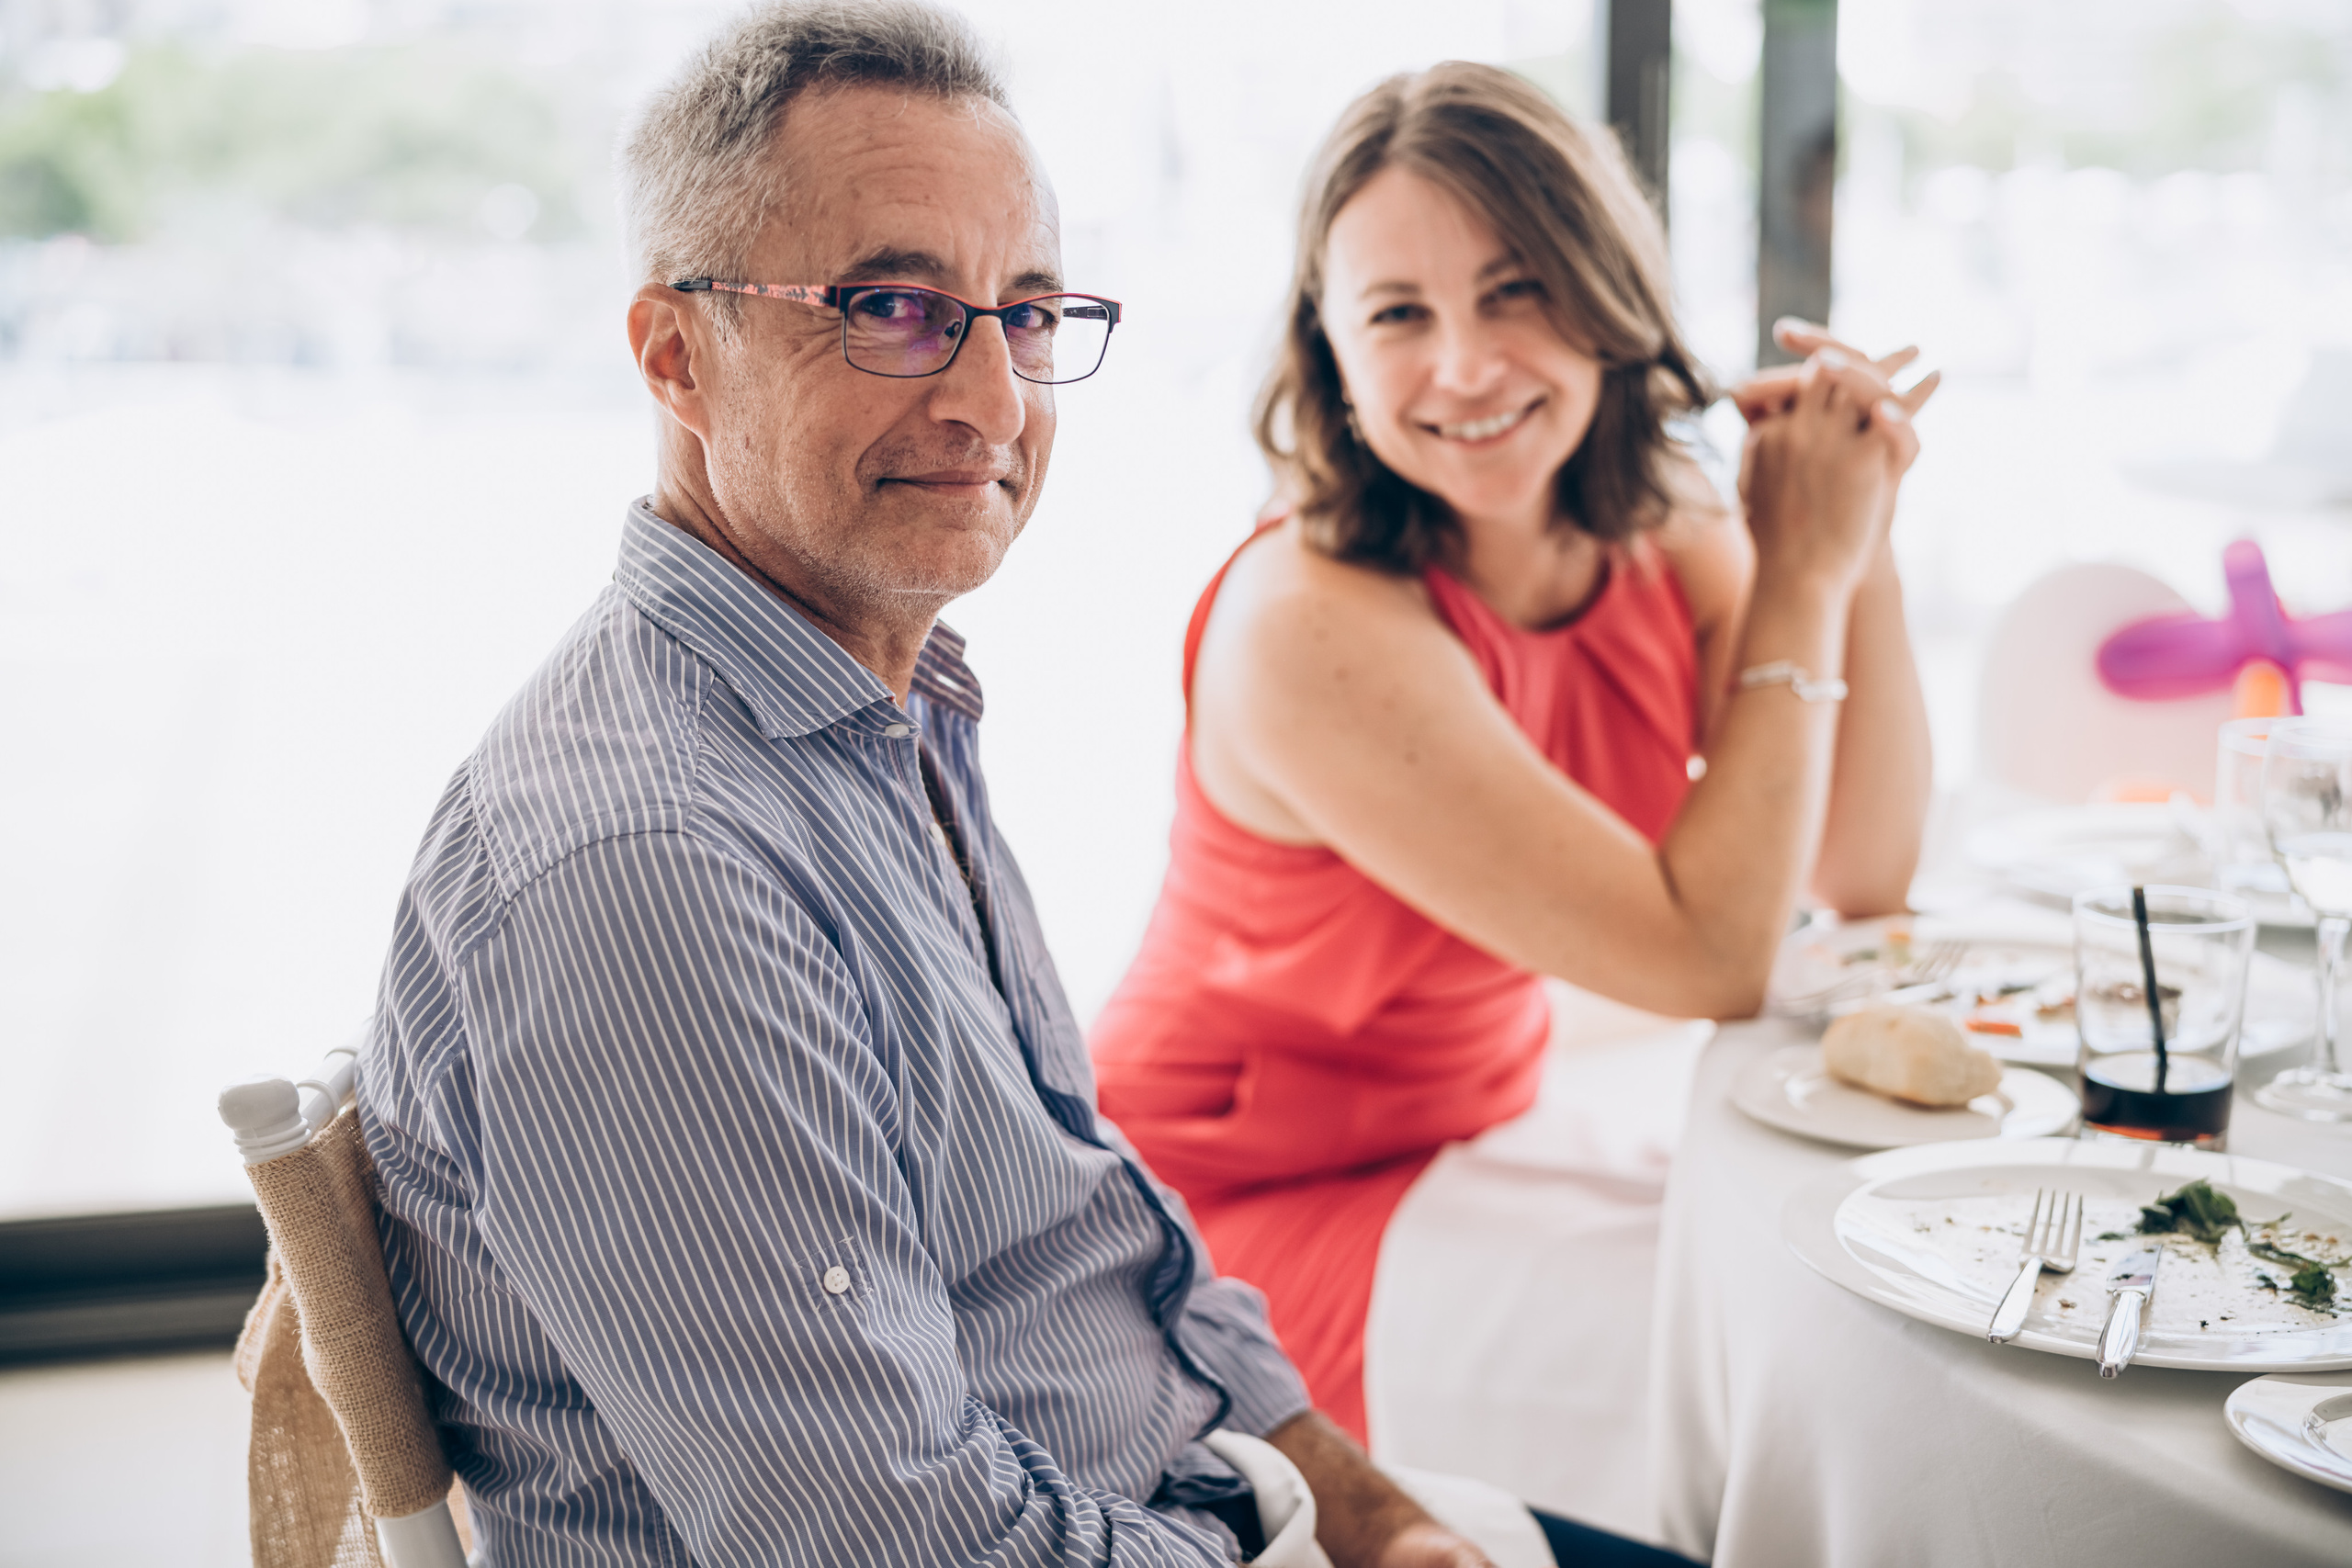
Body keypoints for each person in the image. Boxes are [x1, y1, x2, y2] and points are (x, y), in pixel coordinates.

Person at [356, 7, 1689, 1565]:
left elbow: (1101, 1234)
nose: (996, 403)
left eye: (1030, 314)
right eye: (895, 309)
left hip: (1194, 1500)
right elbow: (898, 1544)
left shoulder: (881, 711)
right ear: (677, 355)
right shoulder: (646, 868)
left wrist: (1372, 1514)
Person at [1091, 62, 1937, 1439]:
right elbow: (1711, 960)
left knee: (1835, 1282)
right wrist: (1797, 576)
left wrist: (1855, 543)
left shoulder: (1659, 533)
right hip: (1216, 1223)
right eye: (1399, 314)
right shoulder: (1307, 624)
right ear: (1331, 349)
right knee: (1778, 1372)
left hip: (1475, 1131)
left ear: (1605, 291)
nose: (1467, 366)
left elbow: (1861, 871)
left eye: (1516, 290)